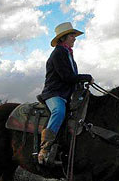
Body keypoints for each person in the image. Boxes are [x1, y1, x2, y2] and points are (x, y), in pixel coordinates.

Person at [37, 22, 93, 165]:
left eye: (74, 35)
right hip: (54, 93)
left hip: (66, 93)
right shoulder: (58, 53)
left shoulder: (67, 53)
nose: (75, 38)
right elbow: (66, 77)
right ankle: (45, 149)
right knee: (59, 111)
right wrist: (86, 77)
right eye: (72, 35)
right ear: (63, 38)